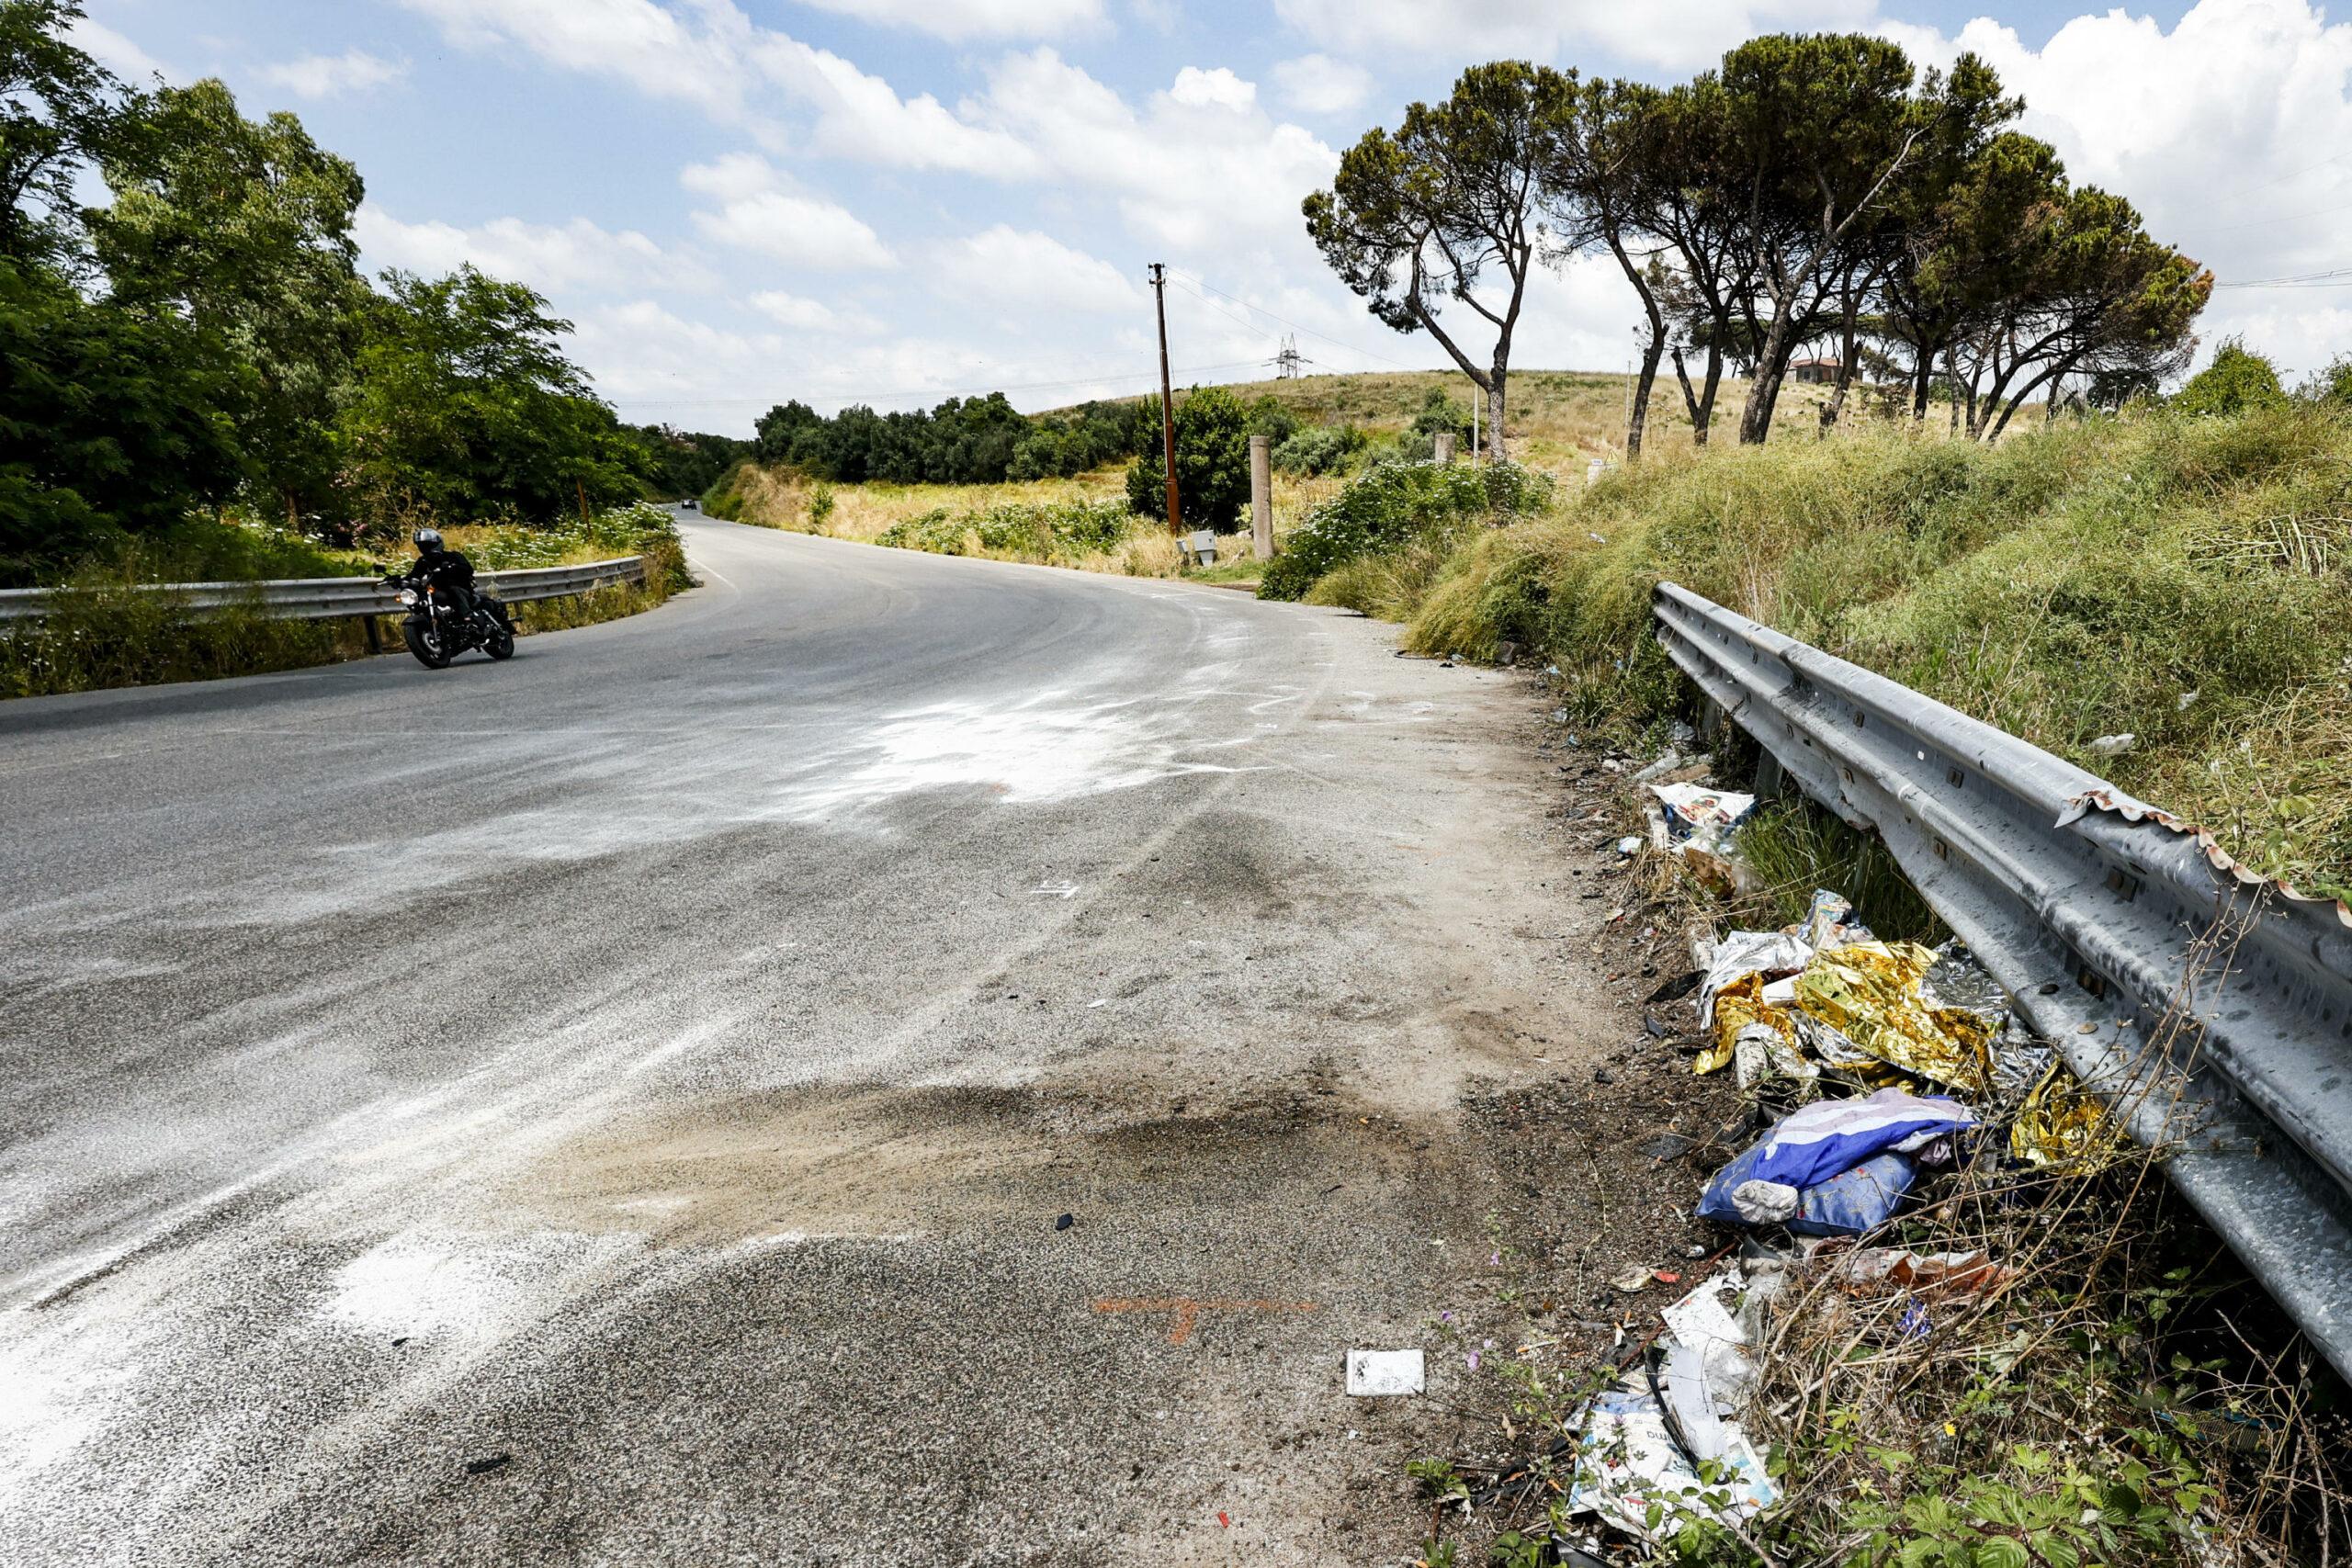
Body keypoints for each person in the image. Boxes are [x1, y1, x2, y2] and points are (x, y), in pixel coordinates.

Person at [401, 526, 478, 623]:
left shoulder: (453, 556)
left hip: (463, 590)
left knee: (453, 589)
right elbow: (415, 575)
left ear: (437, 543)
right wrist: (398, 579)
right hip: (439, 592)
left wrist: (452, 567)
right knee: (423, 593)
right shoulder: (423, 561)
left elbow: (468, 570)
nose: (425, 548)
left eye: (428, 545)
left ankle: (467, 615)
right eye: (422, 546)